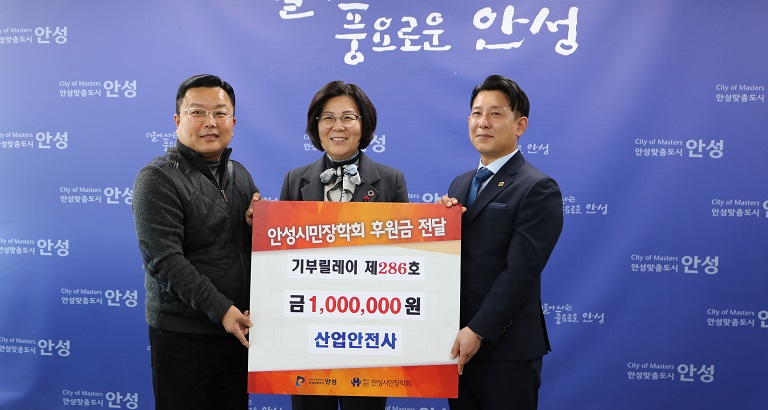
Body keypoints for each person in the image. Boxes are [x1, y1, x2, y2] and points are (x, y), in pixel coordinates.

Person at [277, 80, 408, 410]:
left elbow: (405, 260)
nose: (338, 127)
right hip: (308, 333)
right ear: (316, 127)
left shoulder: (391, 181)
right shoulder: (295, 180)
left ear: (364, 124)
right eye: (327, 118)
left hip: (368, 334)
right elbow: (280, 261)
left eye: (348, 117)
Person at [132, 74, 259, 410]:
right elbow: (164, 260)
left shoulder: (240, 175)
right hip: (184, 337)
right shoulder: (157, 177)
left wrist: (256, 228)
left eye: (220, 113)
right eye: (198, 112)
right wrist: (222, 310)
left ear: (233, 122)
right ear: (178, 120)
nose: (210, 122)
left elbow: (239, 250)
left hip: (236, 332)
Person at [441, 74, 563, 410]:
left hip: (506, 349)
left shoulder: (537, 187)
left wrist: (477, 330)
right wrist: (438, 226)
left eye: (495, 113)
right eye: (476, 113)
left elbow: (520, 272)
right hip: (455, 344)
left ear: (520, 125)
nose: (483, 122)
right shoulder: (459, 184)